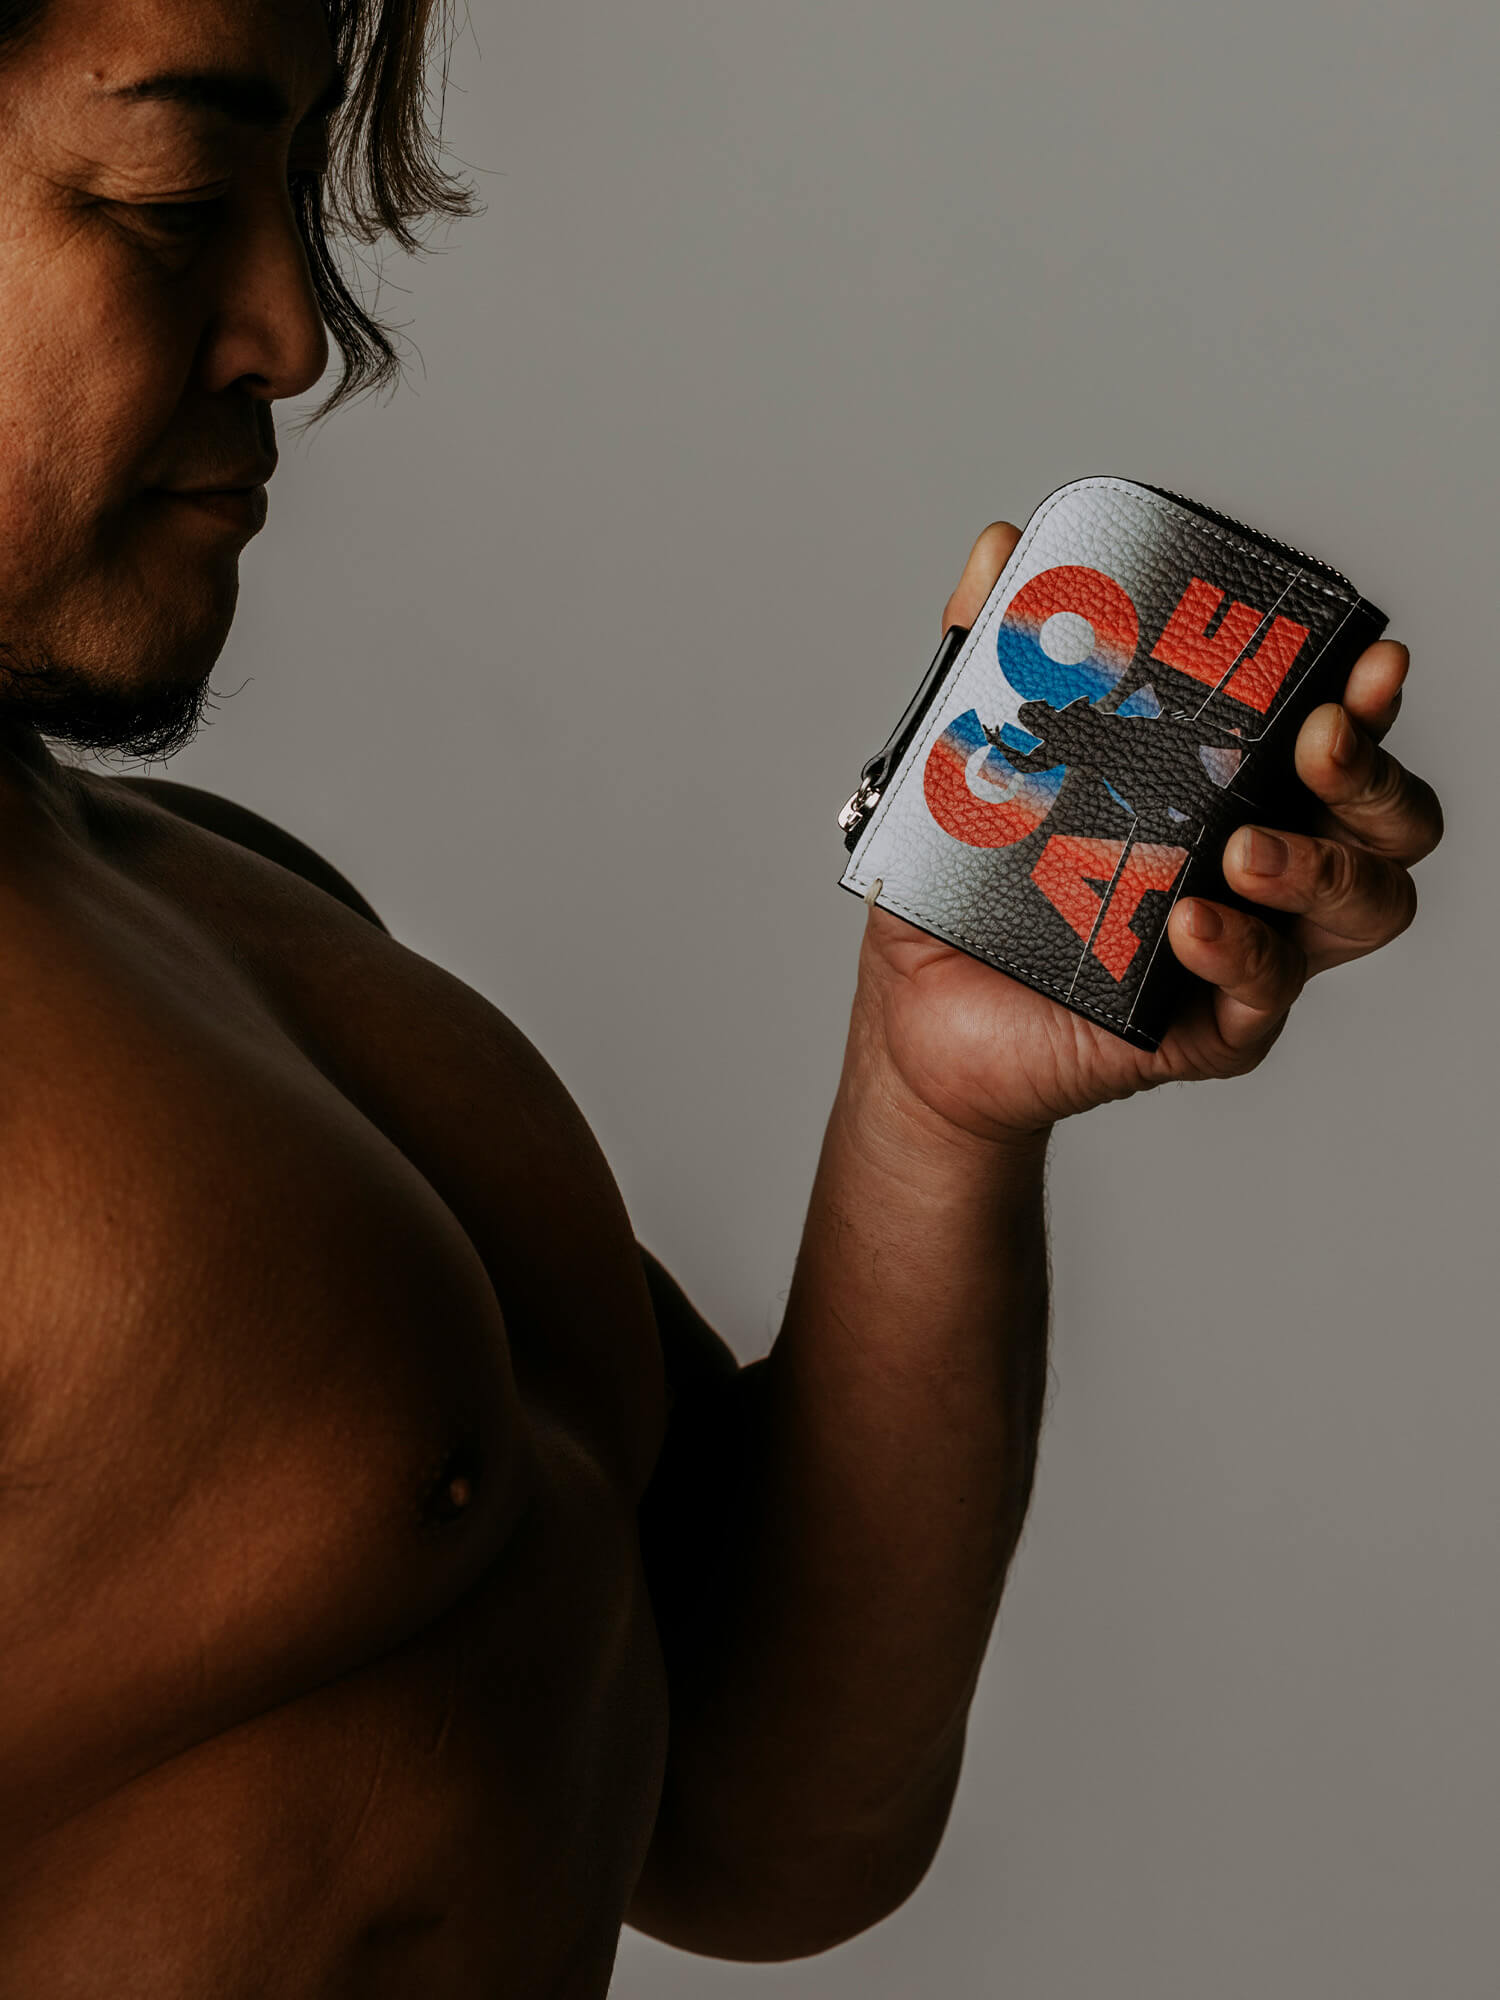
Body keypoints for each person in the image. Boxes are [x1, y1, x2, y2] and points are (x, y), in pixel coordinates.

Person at [0, 2, 1443, 1994]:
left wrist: (932, 1103)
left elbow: (759, 1815)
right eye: (175, 195)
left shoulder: (232, 911)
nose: (294, 329)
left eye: (294, 180)